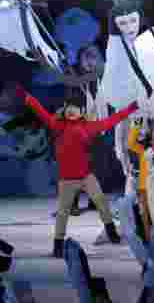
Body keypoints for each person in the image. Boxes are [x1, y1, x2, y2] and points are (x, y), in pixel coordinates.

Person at [13, 84, 136, 257]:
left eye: (76, 108)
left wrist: (131, 109)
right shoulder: (57, 125)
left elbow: (111, 121)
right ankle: (58, 245)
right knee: (63, 213)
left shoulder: (88, 126)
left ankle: (112, 233)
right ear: (65, 109)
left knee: (101, 201)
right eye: (69, 108)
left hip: (86, 176)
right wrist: (27, 97)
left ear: (82, 111)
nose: (72, 111)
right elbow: (40, 110)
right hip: (67, 180)